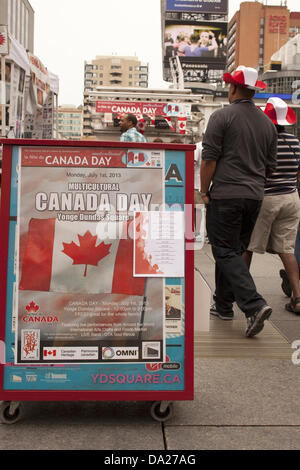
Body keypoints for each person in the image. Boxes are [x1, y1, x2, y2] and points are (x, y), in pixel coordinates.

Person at [200, 65, 278, 338]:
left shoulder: (222, 117)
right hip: (254, 196)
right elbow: (271, 166)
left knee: (223, 249)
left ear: (232, 88)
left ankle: (254, 305)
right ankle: (223, 305)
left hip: (226, 194)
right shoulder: (268, 125)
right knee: (235, 249)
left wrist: (204, 191)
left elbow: (209, 158)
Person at [245, 97, 300, 313]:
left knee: (249, 246)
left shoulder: (262, 140)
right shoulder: (295, 142)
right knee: (287, 250)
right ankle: (297, 298)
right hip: (291, 199)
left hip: (267, 198)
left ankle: (243, 295)